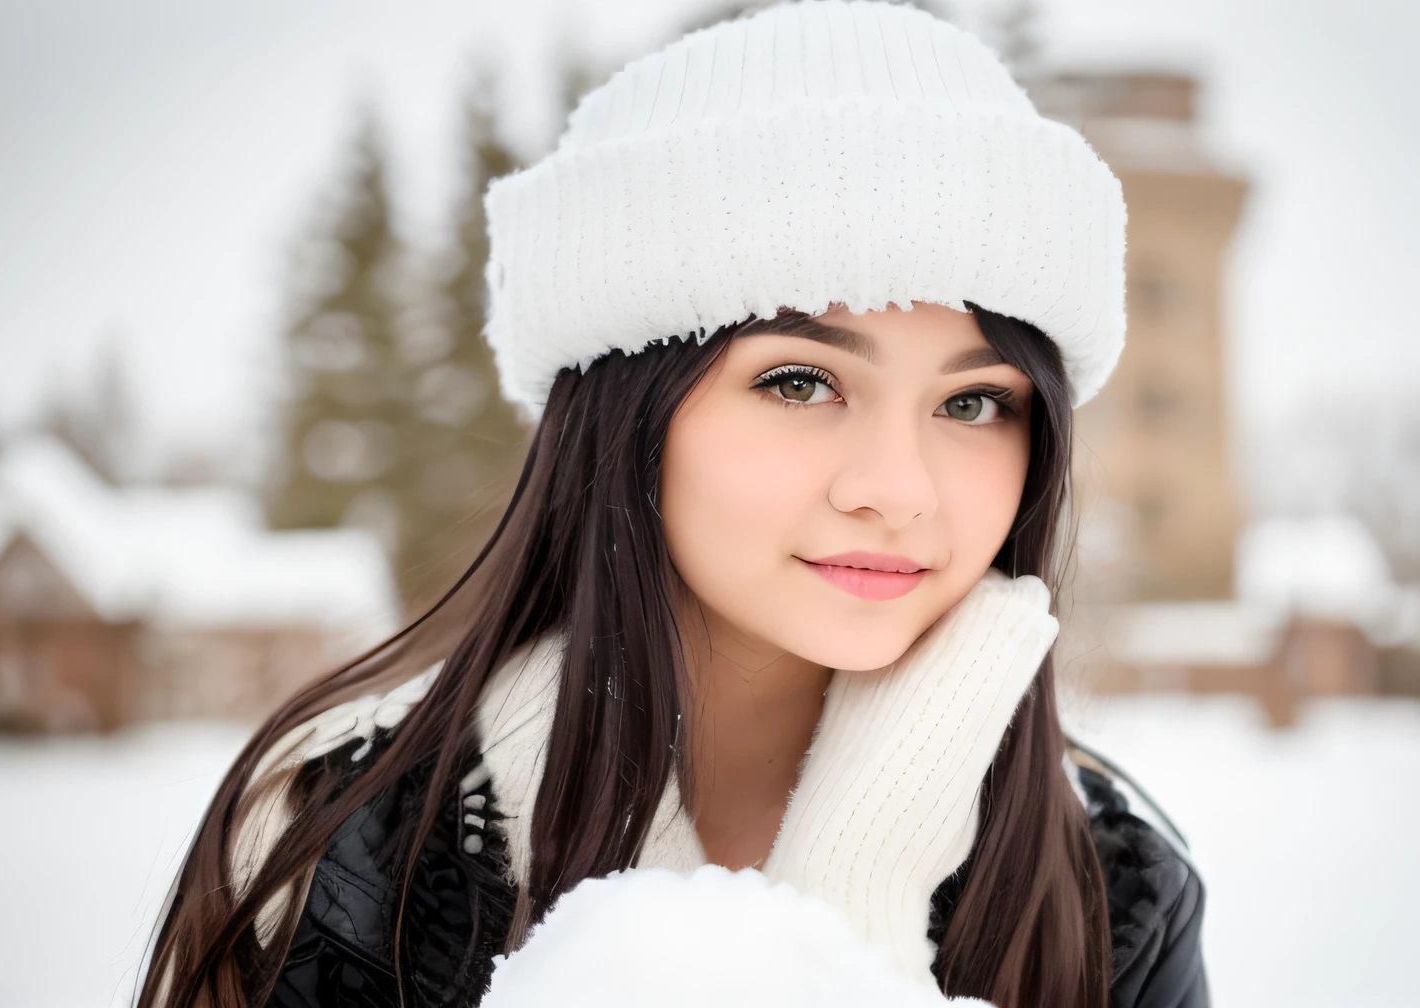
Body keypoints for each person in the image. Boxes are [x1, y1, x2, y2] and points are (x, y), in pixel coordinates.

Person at [139, 3, 1207, 1006]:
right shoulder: (341, 850)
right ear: (623, 420)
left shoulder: (1112, 894)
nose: (897, 489)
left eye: (973, 402)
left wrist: (862, 888)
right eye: (800, 382)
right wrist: (834, 921)